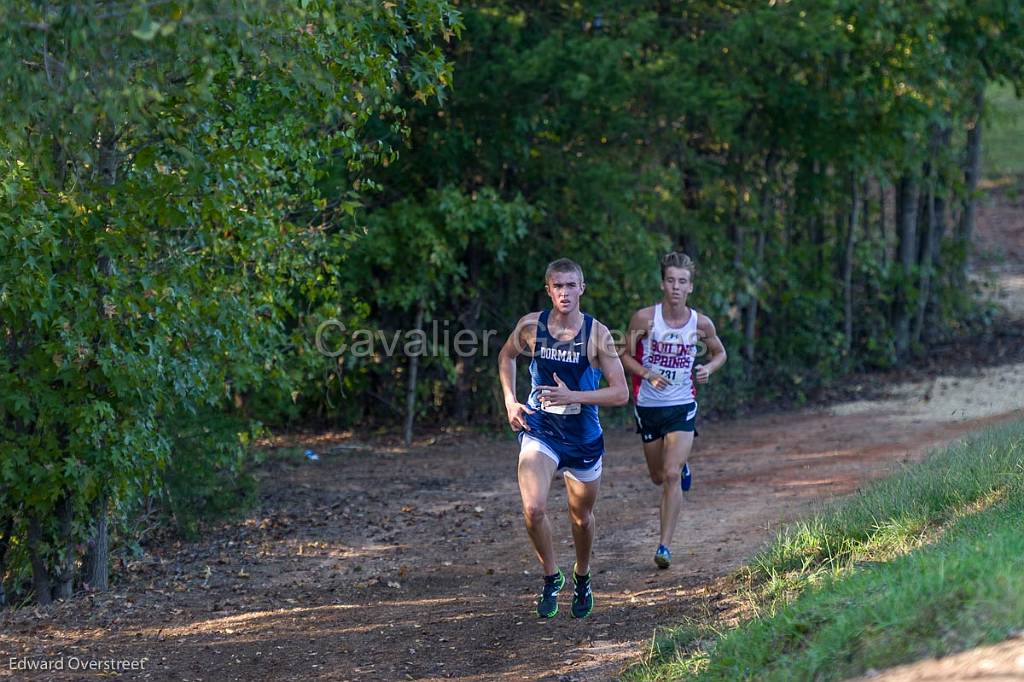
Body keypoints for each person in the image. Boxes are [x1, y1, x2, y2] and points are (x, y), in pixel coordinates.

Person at [497, 258, 628, 618]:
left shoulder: (597, 334)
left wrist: (575, 397)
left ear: (582, 288)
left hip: (583, 437)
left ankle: (582, 576)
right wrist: (510, 401)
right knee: (533, 507)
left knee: (581, 517)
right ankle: (551, 576)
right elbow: (506, 356)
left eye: (571, 285)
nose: (565, 292)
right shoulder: (531, 326)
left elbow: (620, 393)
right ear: (548, 290)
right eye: (558, 286)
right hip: (541, 430)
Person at [621, 252, 727, 569]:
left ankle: (664, 546)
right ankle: (680, 469)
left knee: (670, 474)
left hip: (682, 405)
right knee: (657, 476)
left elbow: (720, 353)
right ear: (662, 283)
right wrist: (645, 373)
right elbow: (623, 356)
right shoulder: (644, 319)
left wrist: (709, 368)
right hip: (649, 406)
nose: (676, 287)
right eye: (671, 281)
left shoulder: (701, 323)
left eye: (682, 282)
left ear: (691, 287)